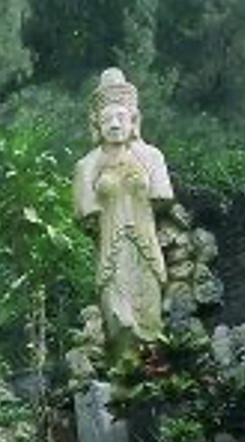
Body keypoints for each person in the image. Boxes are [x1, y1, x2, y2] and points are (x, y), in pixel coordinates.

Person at [73, 67, 173, 352]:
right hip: (111, 252)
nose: (115, 125)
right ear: (96, 124)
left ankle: (152, 370)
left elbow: (162, 196)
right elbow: (84, 212)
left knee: (151, 317)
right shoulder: (87, 165)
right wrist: (94, 167)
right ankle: (122, 368)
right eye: (107, 119)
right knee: (121, 320)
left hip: (147, 247)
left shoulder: (151, 156)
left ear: (134, 121)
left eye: (121, 117)